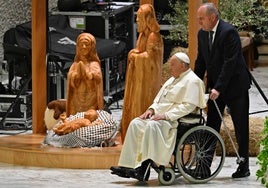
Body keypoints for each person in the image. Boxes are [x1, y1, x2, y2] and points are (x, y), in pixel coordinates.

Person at [111, 52, 207, 181]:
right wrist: (151, 109)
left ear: (183, 66)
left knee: (152, 126)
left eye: (173, 65)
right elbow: (159, 100)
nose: (170, 67)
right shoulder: (173, 79)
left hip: (178, 120)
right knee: (136, 123)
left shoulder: (193, 81)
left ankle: (143, 170)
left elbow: (188, 107)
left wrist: (166, 116)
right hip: (160, 117)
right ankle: (128, 166)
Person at [194, 3, 251, 178]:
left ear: (212, 18)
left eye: (201, 18)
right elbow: (201, 61)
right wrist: (194, 85)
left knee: (241, 127)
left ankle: (244, 166)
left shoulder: (229, 32)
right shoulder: (202, 34)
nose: (199, 22)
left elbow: (230, 63)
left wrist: (218, 87)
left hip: (235, 85)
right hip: (216, 86)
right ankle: (203, 167)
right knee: (211, 124)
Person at [120, 4, 164, 143]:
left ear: (147, 19)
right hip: (139, 80)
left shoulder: (153, 37)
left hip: (147, 83)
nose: (137, 22)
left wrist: (135, 57)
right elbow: (141, 51)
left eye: (139, 19)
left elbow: (151, 59)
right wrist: (134, 53)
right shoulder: (142, 35)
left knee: (143, 105)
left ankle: (140, 139)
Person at [66, 33, 103, 116]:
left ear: (92, 47)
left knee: (90, 117)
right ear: (78, 47)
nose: (84, 47)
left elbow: (98, 77)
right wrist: (75, 76)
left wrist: (90, 75)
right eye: (81, 45)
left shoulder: (94, 64)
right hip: (77, 98)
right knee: (75, 118)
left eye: (87, 44)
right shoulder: (75, 65)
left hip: (91, 98)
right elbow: (70, 78)